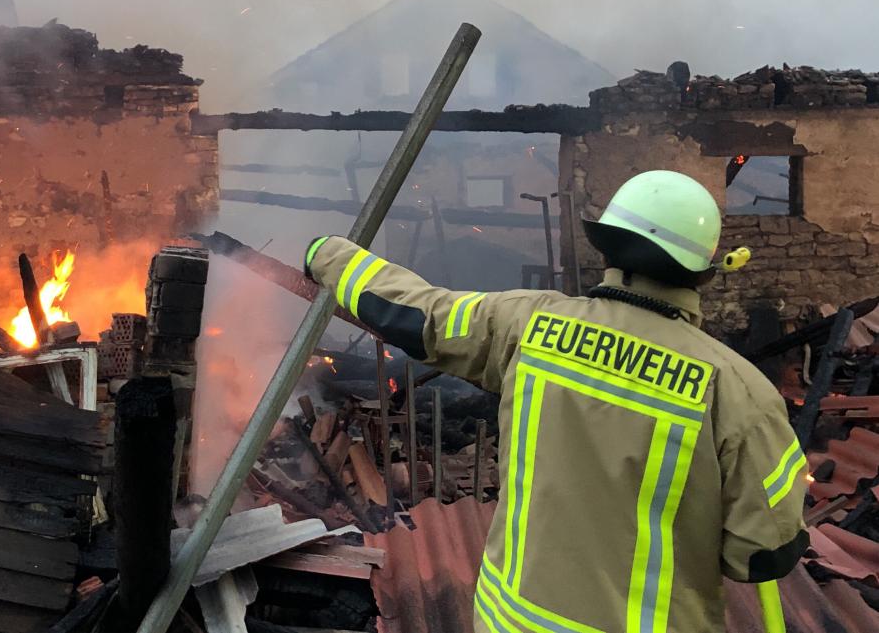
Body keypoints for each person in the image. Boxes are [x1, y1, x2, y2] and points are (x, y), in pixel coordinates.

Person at [304, 170, 807, 633]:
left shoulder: (529, 326)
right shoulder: (739, 392)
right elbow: (762, 555)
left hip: (510, 622)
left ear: (607, 249)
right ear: (705, 273)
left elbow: (416, 313)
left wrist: (326, 254)